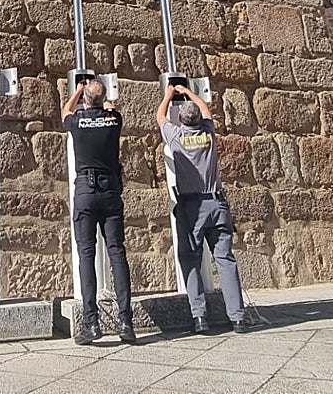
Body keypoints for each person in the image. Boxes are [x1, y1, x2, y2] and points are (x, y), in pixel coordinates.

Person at [156, 82, 248, 334]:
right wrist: (188, 92)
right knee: (225, 260)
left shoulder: (176, 136)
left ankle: (199, 317)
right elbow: (206, 108)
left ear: (181, 120)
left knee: (191, 259)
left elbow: (160, 116)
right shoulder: (208, 132)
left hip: (191, 207)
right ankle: (238, 317)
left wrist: (168, 95)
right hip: (217, 204)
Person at [63, 78, 136, 345]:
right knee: (117, 253)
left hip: (86, 189)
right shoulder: (114, 120)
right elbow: (110, 108)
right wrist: (101, 99)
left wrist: (77, 91)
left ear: (85, 100)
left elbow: (65, 112)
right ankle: (126, 323)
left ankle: (91, 323)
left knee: (86, 255)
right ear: (103, 99)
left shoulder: (77, 121)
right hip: (110, 191)